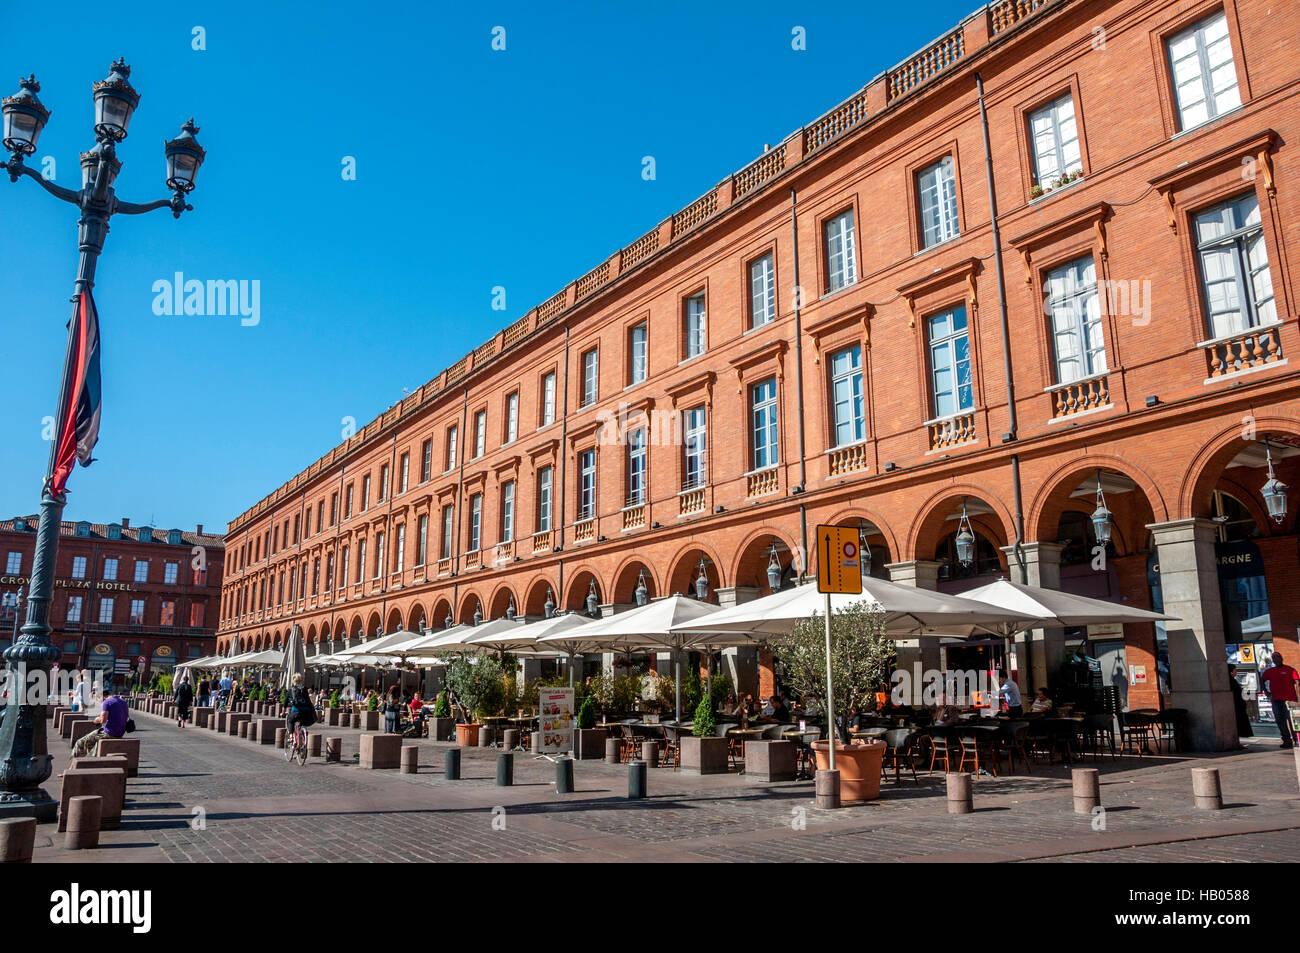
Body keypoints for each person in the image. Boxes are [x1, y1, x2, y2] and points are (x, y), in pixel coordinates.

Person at [71, 692, 130, 759]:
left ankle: (75, 763)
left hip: (110, 733)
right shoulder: (123, 701)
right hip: (120, 733)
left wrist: (96, 720)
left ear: (102, 696)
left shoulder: (107, 702)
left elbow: (102, 720)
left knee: (80, 742)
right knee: (94, 739)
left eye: (98, 699)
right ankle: (93, 756)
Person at [1259, 652, 1299, 748]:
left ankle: (1297, 740)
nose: (1276, 659)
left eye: (1278, 657)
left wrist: (1297, 697)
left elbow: (1297, 682)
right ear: (1273, 660)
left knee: (1293, 721)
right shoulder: (1270, 671)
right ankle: (1287, 741)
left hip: (1290, 701)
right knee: (1280, 721)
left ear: (1282, 658)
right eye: (1274, 658)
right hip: (1276, 700)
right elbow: (1262, 680)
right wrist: (1267, 692)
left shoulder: (1290, 670)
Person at [285, 673, 316, 746]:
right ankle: (303, 737)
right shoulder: (305, 689)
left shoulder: (291, 690)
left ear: (293, 681)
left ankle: (291, 737)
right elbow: (308, 700)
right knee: (302, 722)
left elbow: (285, 703)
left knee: (290, 720)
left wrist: (283, 712)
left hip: (296, 712)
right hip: (307, 712)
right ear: (301, 680)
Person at [1227, 664, 1252, 745]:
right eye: (1235, 670)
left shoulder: (1232, 680)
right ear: (1231, 672)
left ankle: (1237, 742)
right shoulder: (1231, 681)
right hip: (1237, 706)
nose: (1236, 672)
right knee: (1238, 724)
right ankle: (1236, 742)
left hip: (1239, 705)